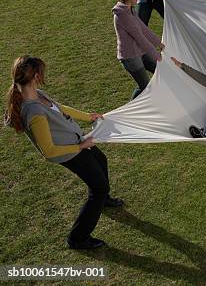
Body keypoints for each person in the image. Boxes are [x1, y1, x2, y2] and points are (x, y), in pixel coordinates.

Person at [4, 56, 123, 250]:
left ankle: (104, 199)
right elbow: (49, 151)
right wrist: (80, 147)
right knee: (98, 188)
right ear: (35, 76)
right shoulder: (34, 112)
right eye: (41, 73)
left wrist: (88, 116)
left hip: (76, 141)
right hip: (69, 152)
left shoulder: (37, 94)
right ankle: (78, 238)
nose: (43, 76)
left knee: (101, 159)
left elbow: (61, 109)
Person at [113, 0, 165, 100]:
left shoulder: (130, 9)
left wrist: (159, 43)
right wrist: (156, 54)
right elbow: (140, 37)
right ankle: (130, 109)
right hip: (130, 57)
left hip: (140, 52)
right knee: (145, 87)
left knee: (161, 69)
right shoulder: (123, 14)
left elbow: (143, 28)